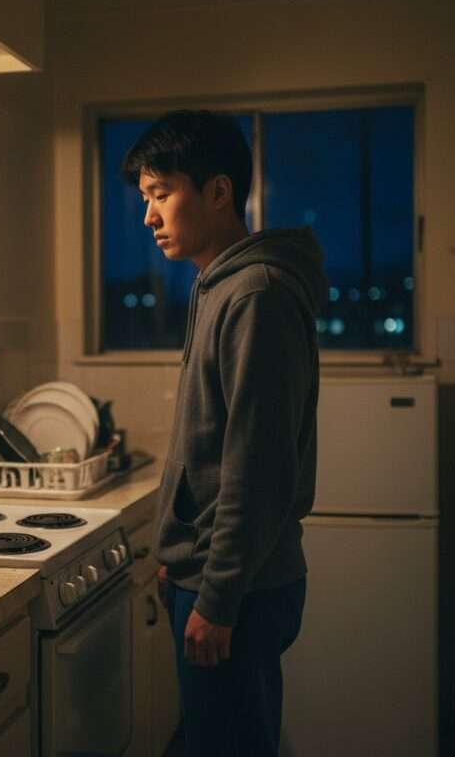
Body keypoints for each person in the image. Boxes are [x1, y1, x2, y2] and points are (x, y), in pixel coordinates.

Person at [121, 110, 328, 756]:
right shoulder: (218, 286)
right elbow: (206, 445)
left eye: (161, 194)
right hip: (214, 574)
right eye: (145, 199)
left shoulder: (256, 294)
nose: (149, 216)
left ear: (217, 191)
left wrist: (217, 595)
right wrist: (177, 553)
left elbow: (256, 468)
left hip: (241, 586)